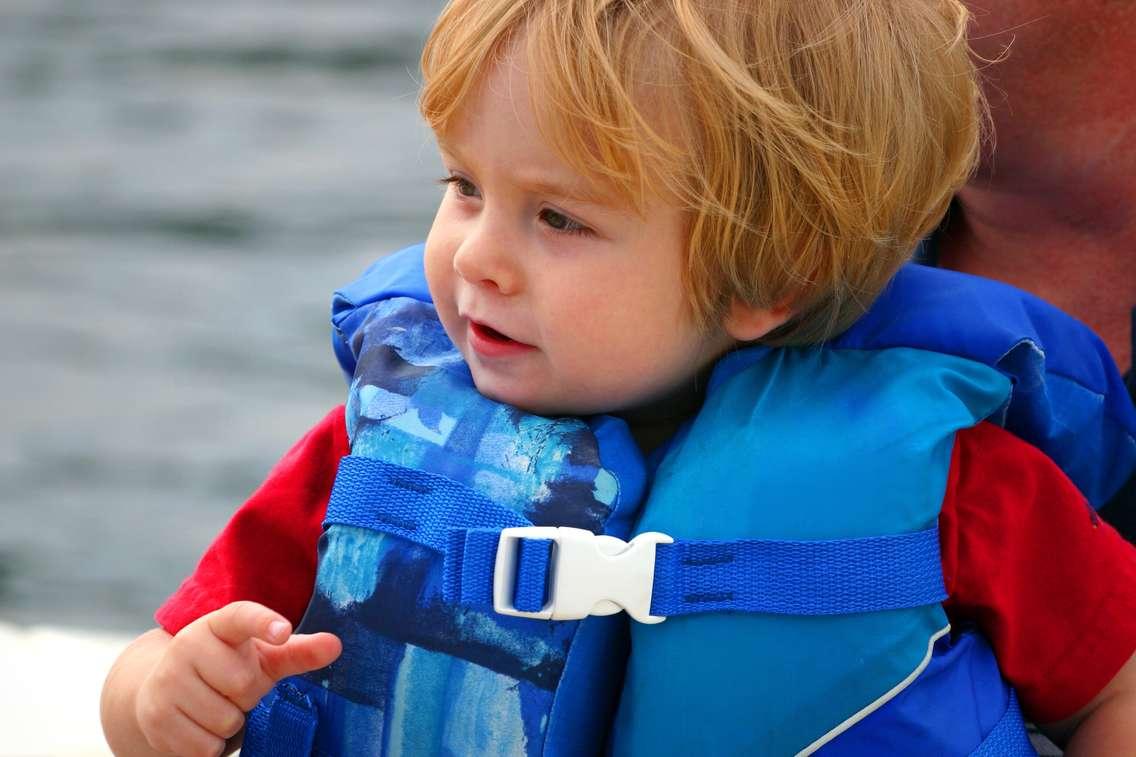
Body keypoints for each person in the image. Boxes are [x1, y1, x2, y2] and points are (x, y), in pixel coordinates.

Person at [100, 1, 1136, 755]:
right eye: (464, 187)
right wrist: (166, 698)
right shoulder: (373, 451)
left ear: (769, 274)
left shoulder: (956, 482)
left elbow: (1111, 686)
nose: (475, 259)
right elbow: (153, 664)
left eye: (558, 218)